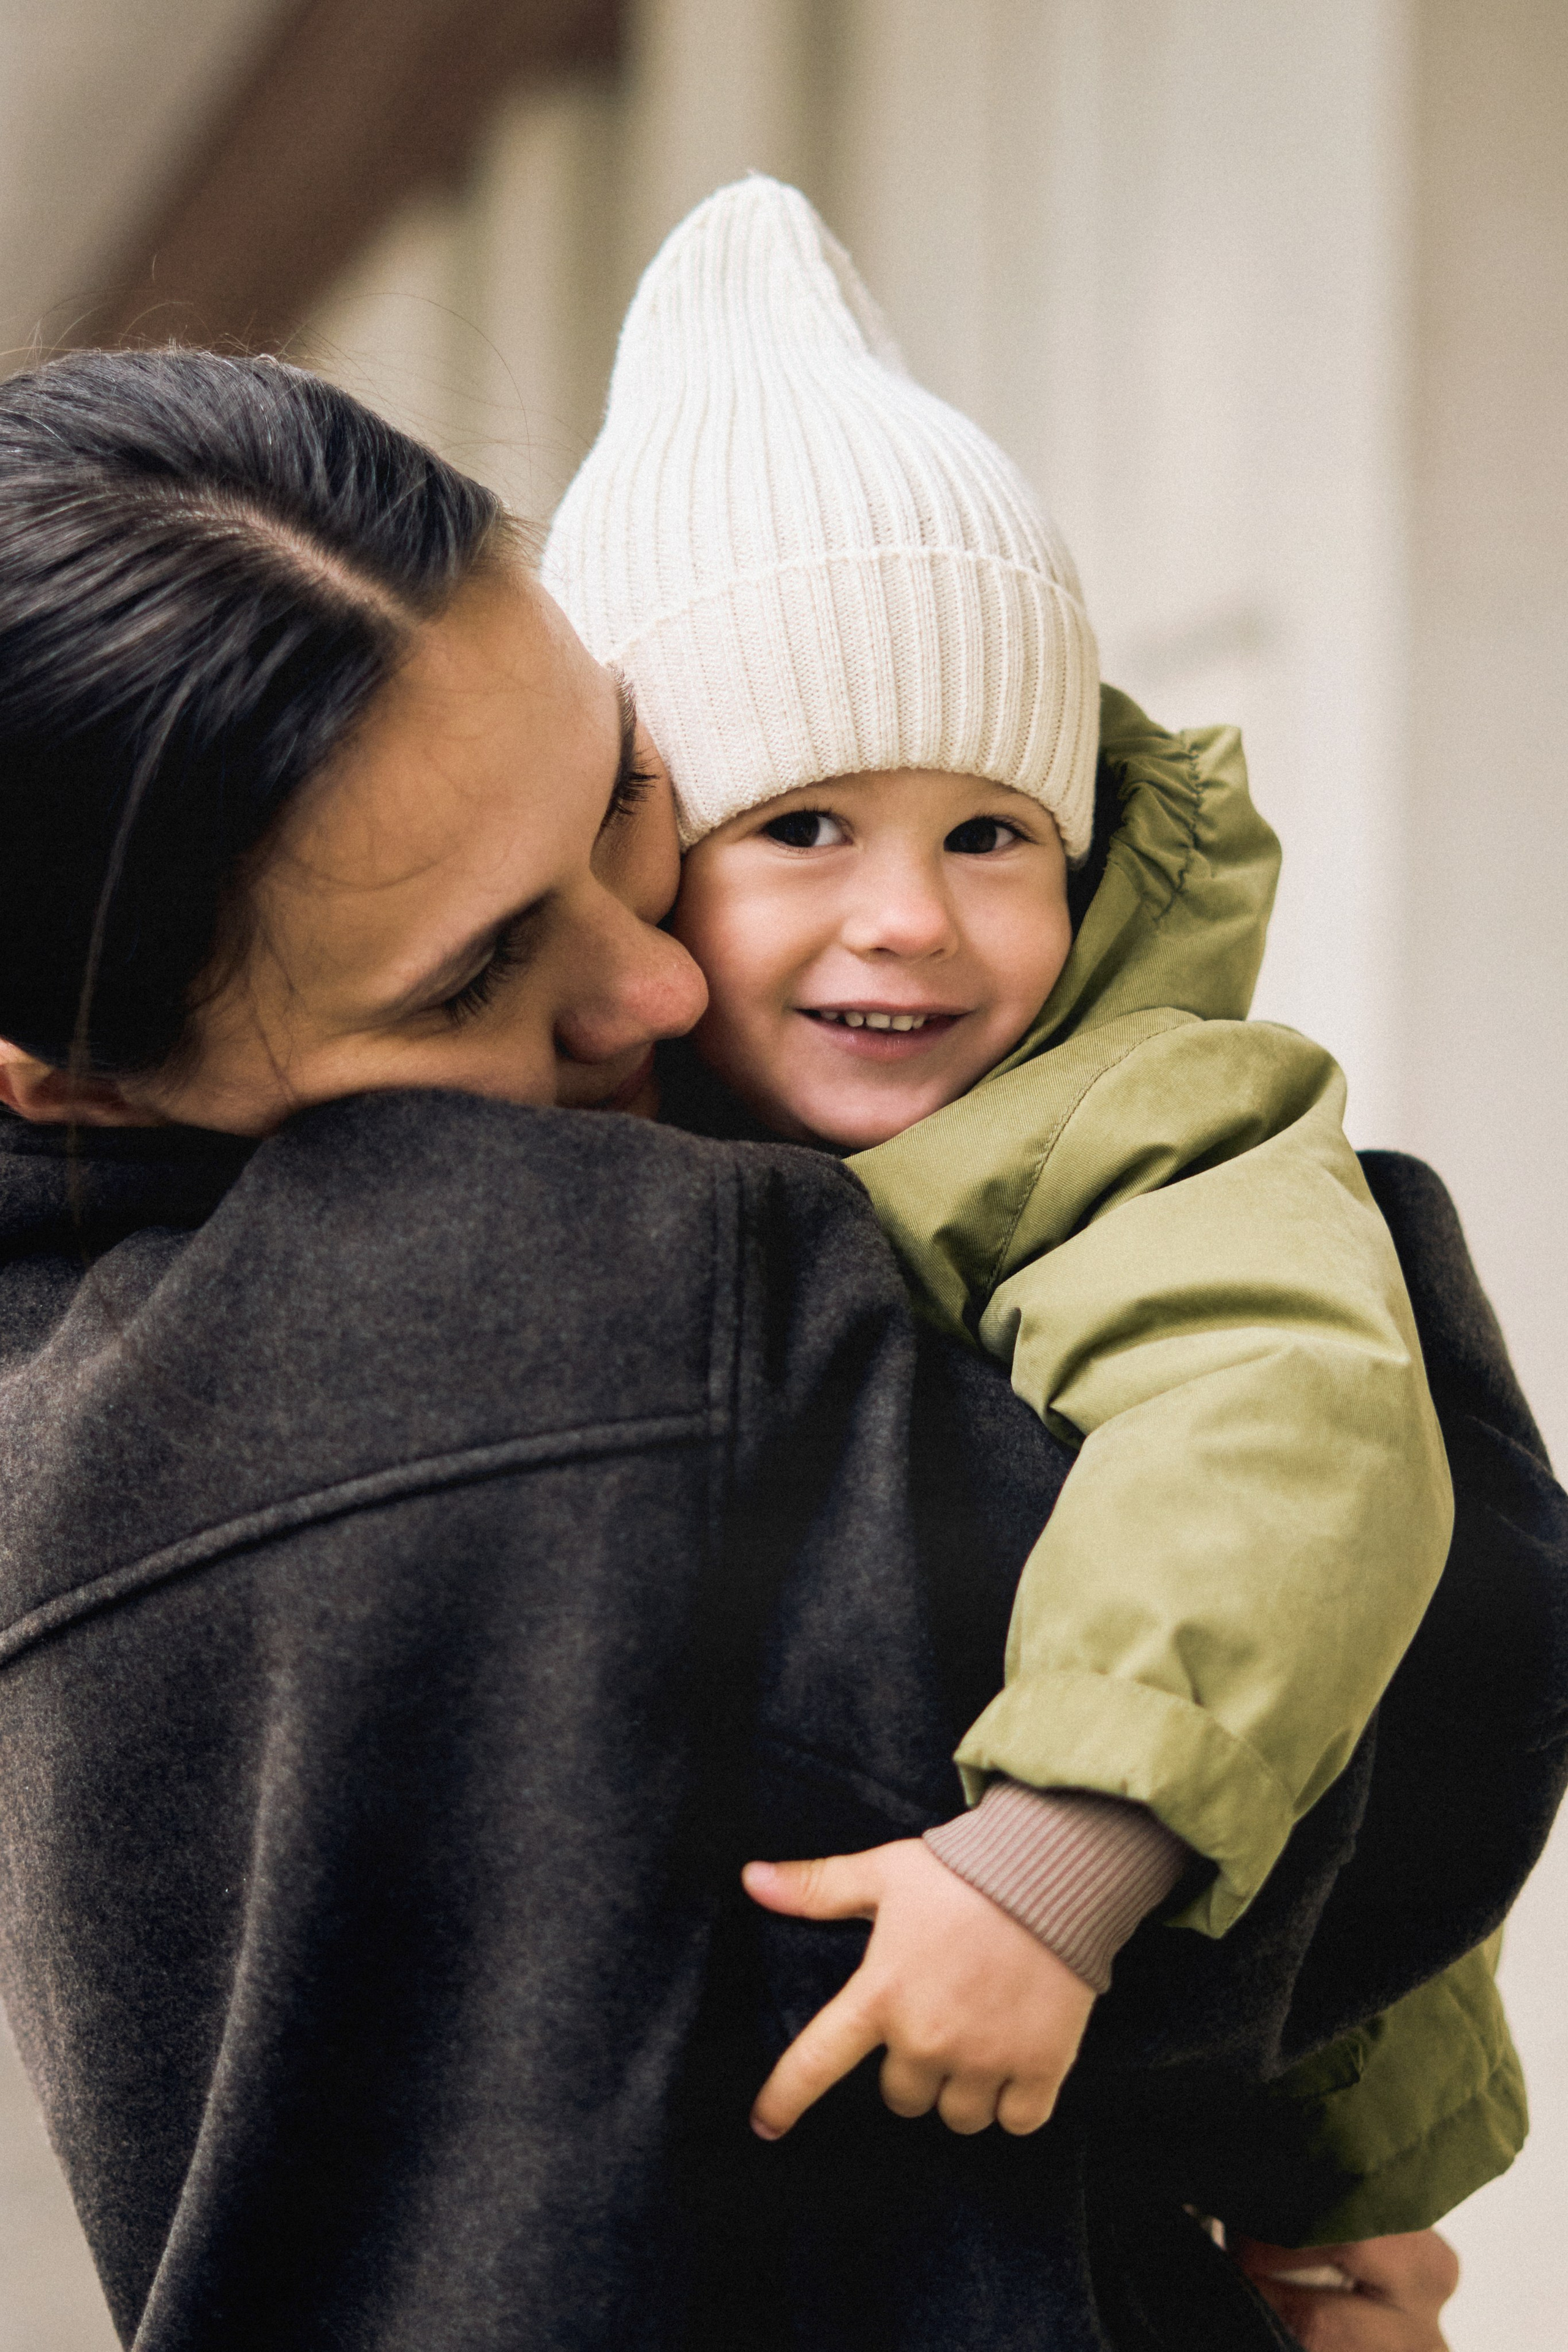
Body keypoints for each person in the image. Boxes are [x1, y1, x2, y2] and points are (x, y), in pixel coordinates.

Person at [1, 347, 1562, 2350]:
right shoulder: (470, 1352)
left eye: (629, 798)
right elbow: (1464, 1684)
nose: (652, 977)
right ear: (71, 1077)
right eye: (479, 970)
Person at [540, 171, 1526, 2252]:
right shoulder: (656, 1157)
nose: (910, 917)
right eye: (800, 824)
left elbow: (1288, 1432)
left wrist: (1055, 1859)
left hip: (1256, 2062)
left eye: (993, 831)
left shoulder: (1147, 1123)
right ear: (637, 866)